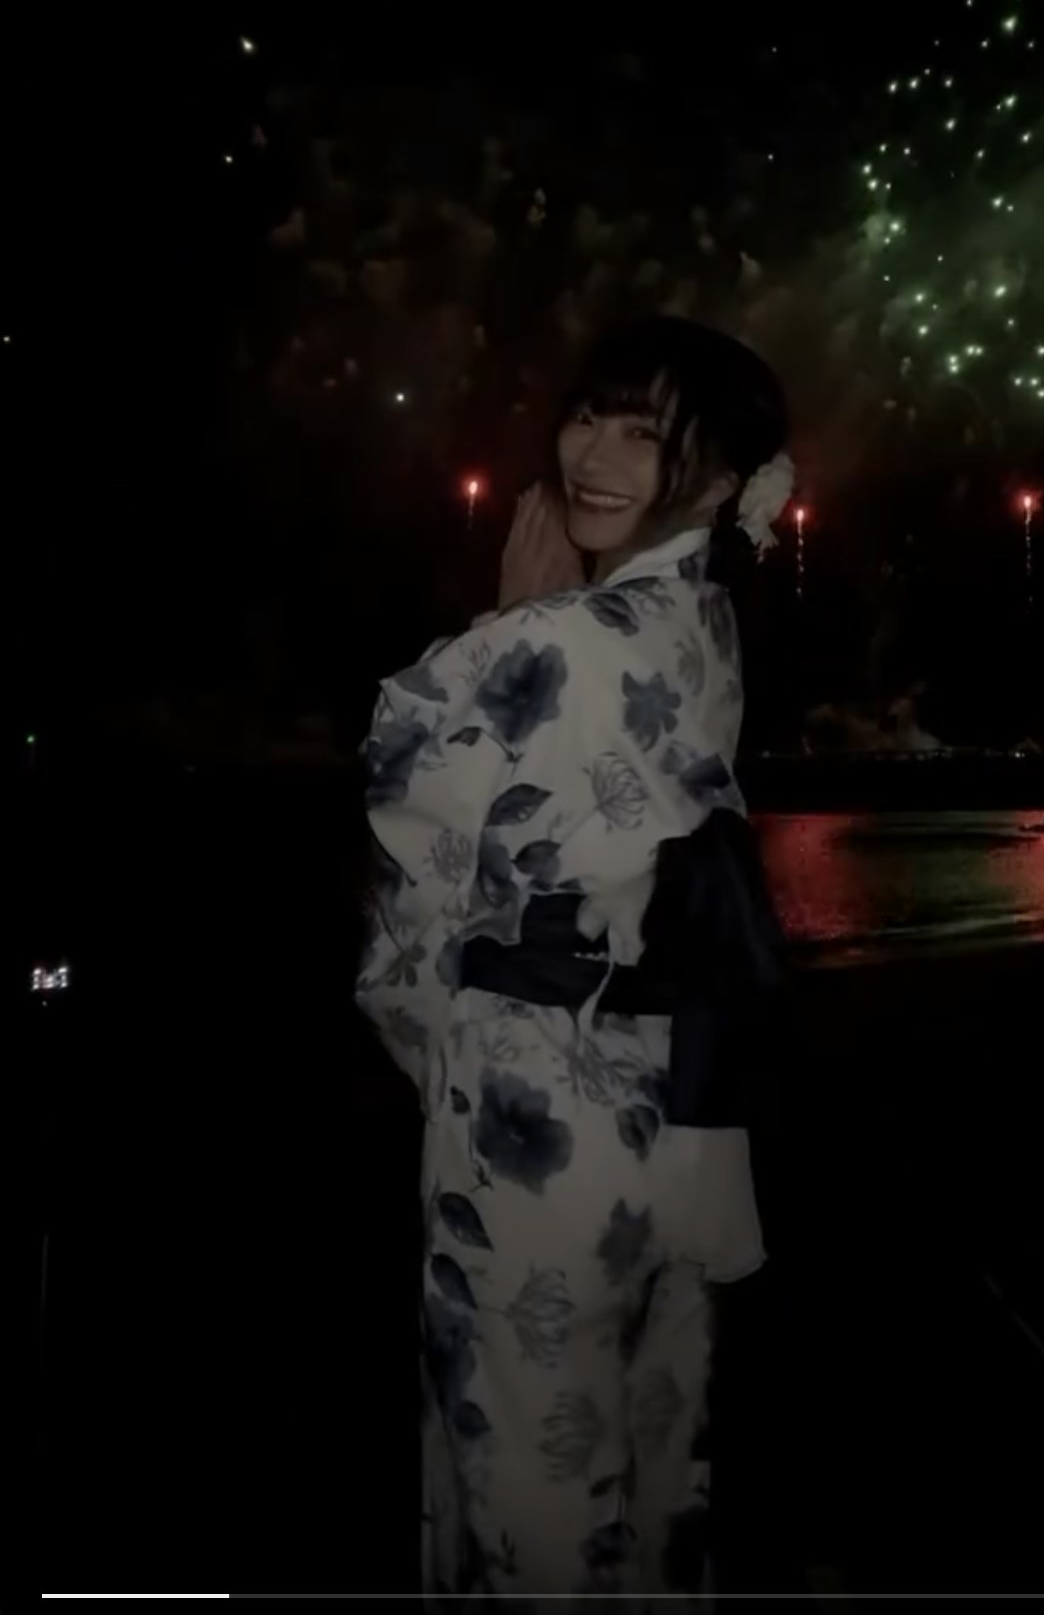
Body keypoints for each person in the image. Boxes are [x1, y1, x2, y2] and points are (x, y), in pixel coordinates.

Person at [355, 315, 795, 1604]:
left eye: (644, 434)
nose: (591, 456)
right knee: (652, 1454)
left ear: (719, 481)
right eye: (588, 416)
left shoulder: (554, 640)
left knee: (525, 1473)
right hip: (669, 1103)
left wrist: (511, 615)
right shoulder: (702, 622)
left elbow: (408, 795)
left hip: (536, 1113)